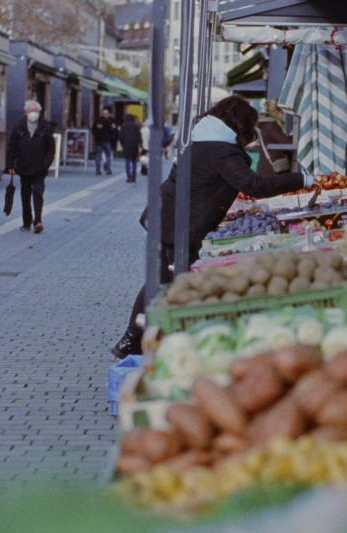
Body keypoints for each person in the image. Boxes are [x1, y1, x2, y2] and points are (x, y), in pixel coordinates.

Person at [112, 95, 307, 358]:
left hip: (169, 219)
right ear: (240, 126)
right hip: (179, 225)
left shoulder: (200, 142)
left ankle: (148, 338)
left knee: (165, 278)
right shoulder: (221, 151)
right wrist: (301, 179)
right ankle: (135, 340)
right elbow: (255, 186)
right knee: (164, 280)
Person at [6, 99, 57, 233]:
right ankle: (26, 222)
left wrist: (47, 163)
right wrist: (10, 164)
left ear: (39, 112)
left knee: (38, 193)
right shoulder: (18, 126)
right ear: (25, 112)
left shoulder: (46, 127)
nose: (32, 113)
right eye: (30, 111)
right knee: (25, 194)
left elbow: (51, 148)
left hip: (40, 167)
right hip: (24, 166)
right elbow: (12, 146)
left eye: (35, 111)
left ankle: (38, 220)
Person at [91, 107, 118, 176]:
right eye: (105, 113)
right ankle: (107, 169)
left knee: (98, 156)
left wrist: (96, 136)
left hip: (99, 140)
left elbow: (93, 129)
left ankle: (98, 170)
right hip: (106, 141)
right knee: (107, 155)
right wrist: (112, 137)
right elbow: (114, 130)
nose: (106, 115)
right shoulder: (110, 121)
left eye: (106, 113)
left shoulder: (98, 121)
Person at [118, 112, 143, 183]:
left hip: (126, 146)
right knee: (134, 162)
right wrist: (140, 144)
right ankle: (134, 176)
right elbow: (139, 136)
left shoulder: (123, 125)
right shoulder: (136, 126)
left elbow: (121, 137)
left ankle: (129, 177)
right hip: (134, 146)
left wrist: (123, 145)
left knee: (127, 162)